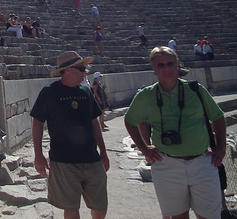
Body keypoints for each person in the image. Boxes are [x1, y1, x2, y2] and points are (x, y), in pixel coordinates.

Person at [124, 46, 226, 219]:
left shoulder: (196, 90)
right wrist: (144, 148)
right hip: (167, 164)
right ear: (154, 70)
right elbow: (130, 121)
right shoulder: (146, 95)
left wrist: (221, 148)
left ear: (177, 65)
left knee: (210, 216)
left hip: (202, 161)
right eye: (161, 65)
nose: (166, 68)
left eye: (170, 63)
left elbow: (217, 117)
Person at [31, 51, 109, 219]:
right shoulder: (49, 92)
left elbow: (94, 122)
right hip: (63, 160)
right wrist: (38, 154)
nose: (85, 72)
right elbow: (37, 123)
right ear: (67, 70)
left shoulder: (86, 91)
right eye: (81, 69)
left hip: (91, 158)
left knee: (100, 204)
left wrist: (103, 151)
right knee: (71, 206)